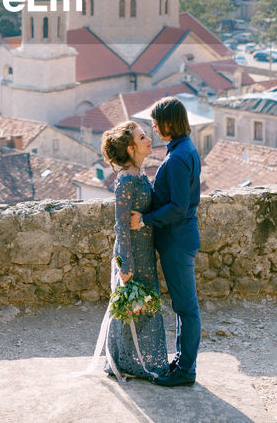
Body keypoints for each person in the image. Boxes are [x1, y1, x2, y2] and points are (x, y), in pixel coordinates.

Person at [132, 96, 201, 388]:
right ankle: (182, 362)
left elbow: (178, 207)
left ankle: (186, 371)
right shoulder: (184, 149)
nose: (155, 128)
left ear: (169, 122)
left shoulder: (177, 158)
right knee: (182, 306)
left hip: (176, 239)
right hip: (180, 236)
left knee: (186, 307)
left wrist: (145, 220)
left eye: (157, 123)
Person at [98, 121, 170, 381]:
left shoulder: (140, 175)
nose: (149, 140)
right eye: (142, 138)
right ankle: (126, 361)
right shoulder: (126, 180)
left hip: (145, 251)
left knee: (145, 305)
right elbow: (120, 224)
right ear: (130, 148)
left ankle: (143, 360)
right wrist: (126, 264)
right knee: (131, 307)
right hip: (131, 254)